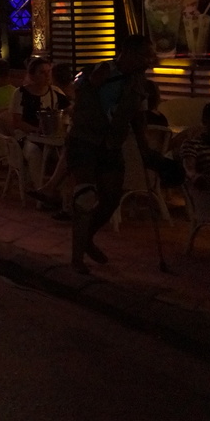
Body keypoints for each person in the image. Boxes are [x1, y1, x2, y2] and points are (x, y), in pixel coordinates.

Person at [62, 34, 156, 274]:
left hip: (111, 144)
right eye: (144, 55)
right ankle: (77, 258)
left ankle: (87, 238)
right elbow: (76, 96)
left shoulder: (139, 83)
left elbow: (138, 116)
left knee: (111, 198)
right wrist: (92, 84)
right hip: (84, 140)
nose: (149, 60)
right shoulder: (97, 70)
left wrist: (145, 147)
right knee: (85, 197)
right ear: (128, 52)